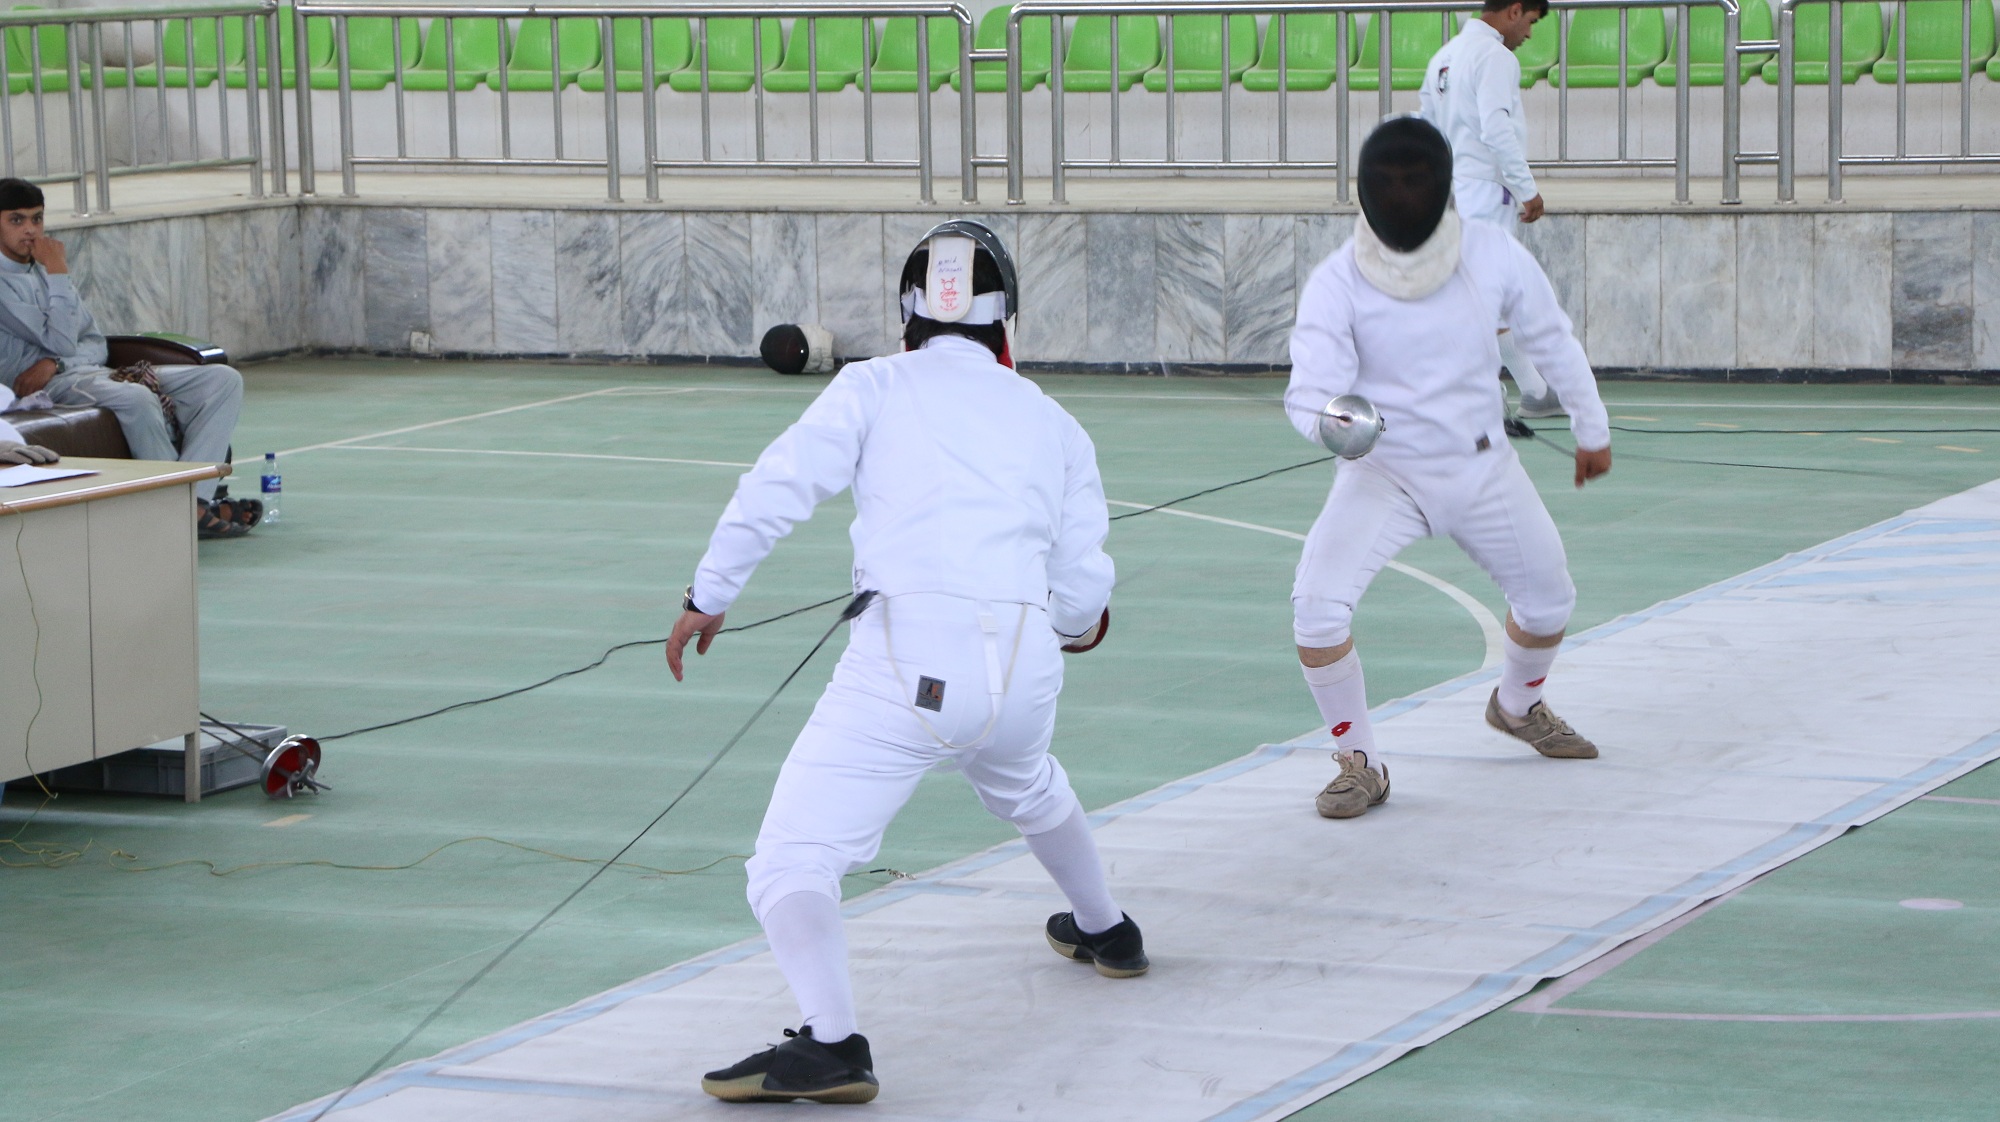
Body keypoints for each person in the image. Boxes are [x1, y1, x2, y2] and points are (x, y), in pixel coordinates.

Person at [667, 220, 1143, 1105]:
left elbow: (778, 485)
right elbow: (1081, 597)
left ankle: (833, 1043)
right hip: (1026, 671)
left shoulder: (873, 384)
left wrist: (710, 590)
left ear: (908, 318)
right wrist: (1071, 627)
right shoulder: (1055, 420)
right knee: (1028, 782)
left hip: (907, 670)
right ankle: (1107, 932)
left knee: (789, 861)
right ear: (1007, 324)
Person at [1287, 117, 1612, 821]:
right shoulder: (1336, 281)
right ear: (1364, 192)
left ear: (1442, 187)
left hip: (1482, 468)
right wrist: (1336, 424)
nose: (1402, 194)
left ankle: (1518, 706)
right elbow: (1308, 392)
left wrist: (1593, 427)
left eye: (1416, 180)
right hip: (1384, 473)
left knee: (1551, 601)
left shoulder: (1492, 254)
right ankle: (1359, 760)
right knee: (1315, 612)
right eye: (1388, 183)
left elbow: (1550, 339)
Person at [0, 178, 255, 538]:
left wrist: (57, 361)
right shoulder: (36, 273)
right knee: (135, 397)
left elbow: (92, 342)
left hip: (79, 373)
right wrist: (58, 273)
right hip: (46, 389)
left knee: (222, 380)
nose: (30, 230)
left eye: (37, 219)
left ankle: (192, 501)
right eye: (17, 220)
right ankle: (184, 508)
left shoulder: (43, 268)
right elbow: (59, 338)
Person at [1420, 0, 1565, 419]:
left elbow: (1427, 125)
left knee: (1485, 293)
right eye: (1532, 22)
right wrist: (1527, 190)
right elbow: (1496, 127)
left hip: (1454, 187)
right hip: (1486, 188)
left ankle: (1536, 391)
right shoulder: (1495, 56)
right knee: (1482, 297)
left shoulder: (1443, 58)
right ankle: (1486, 398)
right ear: (1515, 11)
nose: (1530, 34)